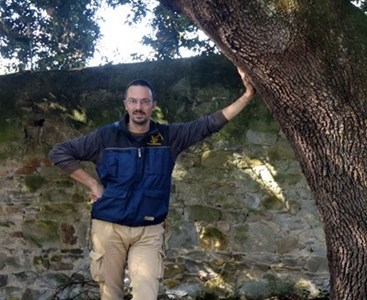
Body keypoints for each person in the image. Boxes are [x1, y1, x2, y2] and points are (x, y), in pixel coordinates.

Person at [49, 67, 255, 300]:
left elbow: (210, 123)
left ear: (153, 105)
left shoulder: (169, 137)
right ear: (126, 104)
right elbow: (60, 153)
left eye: (145, 101)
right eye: (134, 101)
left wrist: (247, 96)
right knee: (110, 296)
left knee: (147, 295)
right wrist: (93, 185)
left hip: (149, 232)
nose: (139, 107)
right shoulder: (105, 137)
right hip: (108, 228)